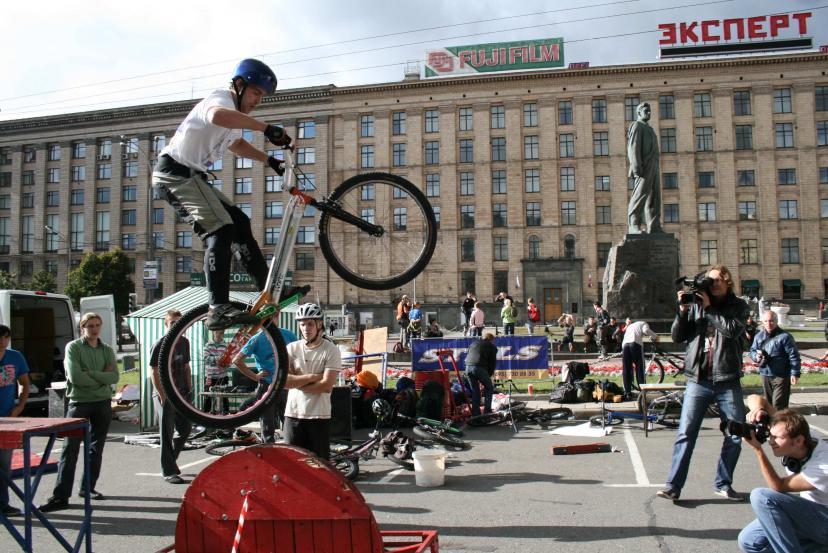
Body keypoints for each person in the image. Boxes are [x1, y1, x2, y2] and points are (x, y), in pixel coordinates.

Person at [152, 58, 294, 331]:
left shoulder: (234, 119)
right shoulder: (221, 99)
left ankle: (269, 291)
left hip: (191, 177)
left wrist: (269, 160)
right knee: (220, 228)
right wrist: (265, 128)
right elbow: (216, 116)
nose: (257, 101)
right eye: (255, 93)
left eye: (262, 96)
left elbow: (237, 144)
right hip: (175, 174)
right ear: (239, 85)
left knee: (240, 222)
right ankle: (217, 307)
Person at [657, 264, 750, 502]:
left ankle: (723, 483)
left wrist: (708, 308)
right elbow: (678, 336)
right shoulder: (696, 305)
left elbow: (731, 330)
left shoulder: (739, 306)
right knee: (685, 434)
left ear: (728, 282)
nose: (713, 284)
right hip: (698, 379)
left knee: (734, 435)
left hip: (727, 379)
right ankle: (673, 486)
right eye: (710, 280)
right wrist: (682, 311)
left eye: (717, 280)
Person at [40, 313, 119, 512]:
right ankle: (61, 496)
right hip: (80, 403)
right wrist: (101, 376)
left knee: (96, 448)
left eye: (97, 325)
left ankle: (87, 488)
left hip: (102, 403)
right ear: (82, 327)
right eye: (90, 325)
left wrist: (90, 373)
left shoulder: (107, 349)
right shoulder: (73, 347)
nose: (94, 329)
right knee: (70, 449)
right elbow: (76, 378)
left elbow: (114, 377)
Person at [737, 395, 828, 552]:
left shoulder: (823, 464)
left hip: (824, 520)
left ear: (798, 441)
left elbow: (778, 486)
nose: (771, 441)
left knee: (762, 497)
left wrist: (758, 450)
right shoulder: (798, 431)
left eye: (777, 438)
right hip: (810, 516)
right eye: (770, 436)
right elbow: (755, 398)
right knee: (749, 540)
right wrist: (758, 410)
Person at [283, 303, 342, 460]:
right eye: (302, 324)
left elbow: (326, 386)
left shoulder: (331, 350)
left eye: (310, 324)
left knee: (319, 465)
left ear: (319, 324)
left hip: (318, 415)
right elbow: (285, 382)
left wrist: (297, 381)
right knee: (292, 463)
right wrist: (314, 377)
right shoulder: (292, 348)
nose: (306, 328)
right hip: (293, 413)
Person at [232, 320, 298, 443]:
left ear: (278, 315)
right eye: (268, 317)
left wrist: (295, 374)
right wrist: (255, 376)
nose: (272, 319)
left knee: (291, 425)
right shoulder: (257, 339)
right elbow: (237, 360)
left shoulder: (288, 335)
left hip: (287, 385)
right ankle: (269, 452)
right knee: (268, 427)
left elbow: (300, 355)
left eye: (274, 315)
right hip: (267, 387)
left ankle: (292, 450)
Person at [149, 310, 192, 485]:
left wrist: (189, 388)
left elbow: (187, 366)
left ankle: (170, 461)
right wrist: (162, 394)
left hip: (181, 393)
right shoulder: (160, 344)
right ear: (166, 324)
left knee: (185, 429)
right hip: (165, 393)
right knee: (166, 432)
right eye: (173, 323)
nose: (176, 326)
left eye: (179, 322)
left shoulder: (185, 342)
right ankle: (168, 471)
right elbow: (153, 371)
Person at [0, 324, 29, 517]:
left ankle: (3, 503)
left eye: (6, 337)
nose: (2, 341)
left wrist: (19, 407)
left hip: (7, 417)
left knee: (4, 464)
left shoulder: (15, 357)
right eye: (0, 337)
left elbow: (25, 384)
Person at [749, 310, 800, 410]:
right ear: (762, 322)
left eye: (771, 321)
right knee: (768, 405)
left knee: (778, 405)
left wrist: (795, 373)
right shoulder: (759, 336)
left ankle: (780, 420)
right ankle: (772, 420)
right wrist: (756, 356)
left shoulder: (785, 337)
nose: (769, 323)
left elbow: (794, 356)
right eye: (766, 321)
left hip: (781, 375)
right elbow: (752, 351)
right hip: (765, 374)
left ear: (776, 321)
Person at [626, 102, 662, 234]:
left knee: (654, 196)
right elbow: (633, 148)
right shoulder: (637, 125)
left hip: (654, 165)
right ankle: (634, 224)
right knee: (639, 195)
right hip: (643, 166)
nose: (649, 113)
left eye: (650, 111)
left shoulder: (650, 129)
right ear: (639, 112)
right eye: (646, 110)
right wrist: (636, 167)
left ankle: (654, 226)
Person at [621, 319, 658, 399]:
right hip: (635, 344)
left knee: (626, 369)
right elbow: (646, 330)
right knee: (639, 368)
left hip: (625, 346)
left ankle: (627, 392)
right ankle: (642, 391)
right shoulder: (644, 323)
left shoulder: (630, 326)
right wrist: (655, 336)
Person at [464, 333, 498, 416]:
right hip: (479, 367)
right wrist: (489, 374)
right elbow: (492, 363)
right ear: (491, 340)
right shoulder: (491, 346)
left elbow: (468, 355)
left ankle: (475, 413)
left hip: (468, 367)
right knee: (489, 388)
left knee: (475, 391)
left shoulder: (474, 343)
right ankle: (487, 411)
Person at [203, 329, 229, 415]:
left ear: (223, 333)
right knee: (208, 397)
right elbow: (205, 359)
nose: (218, 334)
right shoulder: (208, 345)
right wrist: (217, 359)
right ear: (213, 332)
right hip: (209, 376)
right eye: (217, 332)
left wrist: (226, 364)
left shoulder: (226, 346)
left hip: (223, 376)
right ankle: (206, 416)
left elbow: (228, 360)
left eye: (221, 332)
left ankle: (226, 416)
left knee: (225, 397)